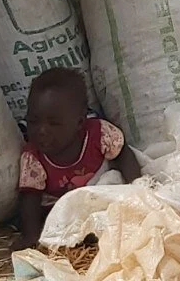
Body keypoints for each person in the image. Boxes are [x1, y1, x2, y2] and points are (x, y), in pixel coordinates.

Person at [15, 67, 139, 249]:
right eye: (33, 121)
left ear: (79, 122)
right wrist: (31, 236)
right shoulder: (34, 158)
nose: (42, 130)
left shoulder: (99, 133)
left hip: (101, 193)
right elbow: (30, 199)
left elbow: (123, 155)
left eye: (54, 123)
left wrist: (137, 187)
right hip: (65, 211)